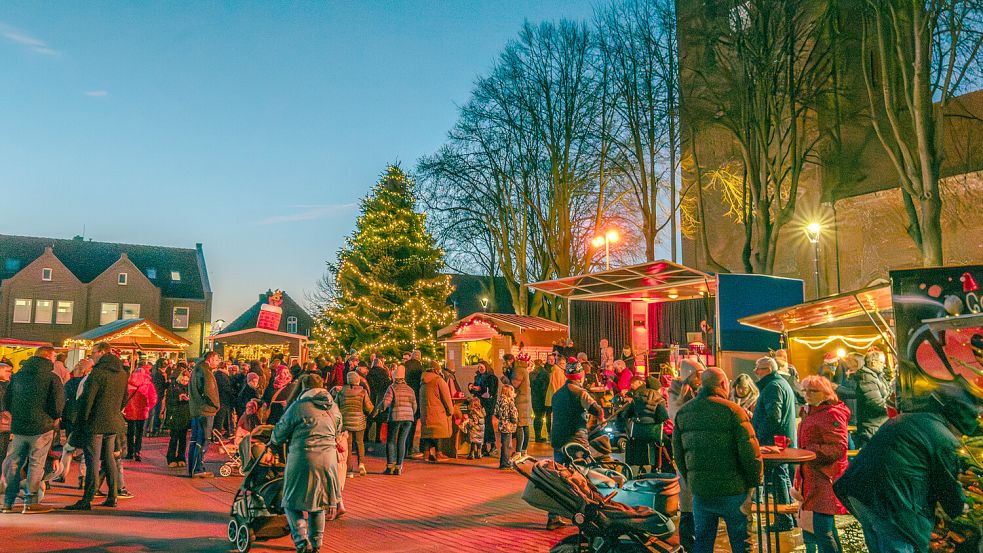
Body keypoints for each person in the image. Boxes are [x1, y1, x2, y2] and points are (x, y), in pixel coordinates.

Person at [833, 385, 976, 553]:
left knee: (878, 544)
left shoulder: (911, 419)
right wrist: (962, 508)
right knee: (897, 544)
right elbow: (946, 482)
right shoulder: (944, 438)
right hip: (889, 502)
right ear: (958, 426)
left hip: (859, 491)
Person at [673, 367, 763, 553]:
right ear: (723, 384)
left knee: (703, 544)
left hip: (702, 493)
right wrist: (753, 484)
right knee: (741, 545)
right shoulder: (734, 411)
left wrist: (692, 481)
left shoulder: (684, 413)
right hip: (734, 491)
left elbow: (679, 455)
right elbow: (751, 455)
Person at [269, 374, 344, 553]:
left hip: (303, 458)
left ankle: (301, 540)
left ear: (303, 387)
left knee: (291, 502)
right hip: (329, 460)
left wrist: (273, 442)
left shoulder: (298, 406)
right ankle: (317, 543)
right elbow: (339, 428)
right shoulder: (333, 407)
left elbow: (280, 432)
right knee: (318, 504)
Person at [0, 346, 64, 513]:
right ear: (49, 357)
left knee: (14, 463)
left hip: (19, 427)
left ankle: (8, 503)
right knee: (36, 463)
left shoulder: (18, 376)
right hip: (42, 427)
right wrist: (53, 418)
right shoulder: (52, 378)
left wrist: (17, 416)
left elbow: (7, 401)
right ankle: (31, 502)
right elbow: (57, 405)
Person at [66, 342, 128, 511]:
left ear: (101, 352)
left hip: (95, 422)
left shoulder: (97, 374)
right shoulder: (122, 373)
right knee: (109, 459)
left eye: (92, 352)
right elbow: (124, 398)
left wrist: (80, 422)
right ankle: (112, 496)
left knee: (92, 460)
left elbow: (87, 400)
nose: (91, 355)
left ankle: (87, 499)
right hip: (113, 421)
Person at [793, 376, 849, 553]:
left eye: (813, 391)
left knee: (822, 530)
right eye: (805, 391)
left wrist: (810, 451)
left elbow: (839, 447)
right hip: (813, 476)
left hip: (827, 477)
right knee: (826, 529)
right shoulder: (811, 411)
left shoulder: (831, 413)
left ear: (825, 392)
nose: (807, 394)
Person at [546, 360, 605, 530]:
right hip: (576, 442)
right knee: (582, 478)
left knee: (559, 479)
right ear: (580, 375)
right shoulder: (580, 393)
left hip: (558, 440)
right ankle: (586, 515)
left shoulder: (557, 394)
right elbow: (597, 410)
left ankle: (553, 516)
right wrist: (600, 417)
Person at [751, 356, 798, 532]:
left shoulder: (772, 387)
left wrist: (759, 436)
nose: (755, 371)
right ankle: (788, 516)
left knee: (779, 478)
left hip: (774, 443)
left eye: (758, 368)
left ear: (768, 370)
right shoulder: (780, 384)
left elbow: (774, 417)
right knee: (782, 477)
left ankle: (784, 518)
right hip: (781, 440)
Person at [373, 364, 417, 475]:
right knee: (402, 441)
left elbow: (386, 402)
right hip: (408, 418)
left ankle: (390, 466)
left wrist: (377, 410)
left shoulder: (392, 388)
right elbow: (414, 405)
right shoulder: (410, 390)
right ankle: (399, 467)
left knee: (391, 441)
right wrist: (411, 414)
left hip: (396, 416)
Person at [621, 375, 669, 473]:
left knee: (636, 443)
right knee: (666, 442)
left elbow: (626, 414)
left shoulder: (637, 397)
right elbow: (663, 417)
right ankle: (664, 466)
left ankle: (635, 466)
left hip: (637, 432)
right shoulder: (660, 399)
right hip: (654, 433)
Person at [848, 349, 891, 448]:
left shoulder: (877, 376)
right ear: (873, 362)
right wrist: (894, 408)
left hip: (878, 427)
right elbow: (876, 402)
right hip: (871, 430)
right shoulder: (867, 377)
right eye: (882, 362)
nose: (884, 365)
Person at [187, 351, 220, 478]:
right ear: (210, 359)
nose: (218, 363)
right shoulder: (206, 372)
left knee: (195, 439)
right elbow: (209, 391)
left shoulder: (196, 370)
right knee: (204, 439)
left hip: (196, 409)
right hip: (205, 410)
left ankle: (192, 468)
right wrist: (216, 405)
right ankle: (198, 468)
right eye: (216, 360)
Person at [337, 371, 373, 478]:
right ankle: (361, 464)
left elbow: (335, 406)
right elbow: (368, 407)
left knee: (348, 445)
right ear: (358, 380)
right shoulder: (363, 392)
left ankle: (349, 470)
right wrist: (369, 411)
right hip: (359, 421)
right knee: (359, 443)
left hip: (345, 422)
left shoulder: (341, 392)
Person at [418, 361, 453, 464]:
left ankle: (426, 453)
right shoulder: (439, 380)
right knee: (438, 432)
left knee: (428, 432)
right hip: (438, 411)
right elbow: (446, 397)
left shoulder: (422, 381)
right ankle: (439, 453)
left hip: (426, 412)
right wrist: (450, 410)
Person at [123, 363, 158, 462]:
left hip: (130, 410)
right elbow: (153, 398)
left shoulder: (129, 382)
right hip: (142, 411)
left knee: (130, 432)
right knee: (139, 432)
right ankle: (137, 451)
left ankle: (130, 452)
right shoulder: (148, 383)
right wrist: (148, 407)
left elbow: (124, 396)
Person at [502, 355, 532, 457]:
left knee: (519, 425)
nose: (505, 364)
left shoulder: (518, 370)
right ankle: (524, 450)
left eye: (506, 362)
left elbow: (514, 384)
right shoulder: (522, 369)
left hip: (520, 401)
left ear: (510, 361)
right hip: (525, 400)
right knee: (525, 425)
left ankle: (518, 451)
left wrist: (504, 379)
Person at [469, 362, 498, 457]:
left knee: (487, 423)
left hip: (488, 404)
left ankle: (492, 445)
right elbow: (476, 390)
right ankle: (483, 446)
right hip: (480, 404)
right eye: (479, 367)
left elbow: (492, 391)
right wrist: (471, 387)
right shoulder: (478, 377)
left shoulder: (491, 377)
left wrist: (480, 389)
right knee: (481, 425)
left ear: (486, 367)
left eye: (482, 366)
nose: (480, 368)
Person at [165, 369, 192, 468]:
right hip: (175, 416)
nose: (185, 382)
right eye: (183, 380)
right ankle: (171, 458)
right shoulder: (173, 388)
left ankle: (181, 457)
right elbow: (169, 402)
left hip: (185, 416)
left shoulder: (189, 389)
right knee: (174, 438)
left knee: (183, 439)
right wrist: (178, 398)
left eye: (186, 381)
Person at [403, 350, 425, 458]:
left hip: (404, 395)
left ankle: (403, 448)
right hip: (415, 396)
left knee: (404, 424)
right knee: (413, 423)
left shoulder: (405, 365)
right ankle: (410, 448)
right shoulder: (420, 368)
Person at [365, 358, 391, 444]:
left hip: (371, 397)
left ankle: (365, 437)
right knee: (379, 419)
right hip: (380, 398)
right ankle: (377, 438)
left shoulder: (369, 373)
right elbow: (387, 385)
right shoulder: (384, 373)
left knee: (369, 418)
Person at [494, 384, 519, 468]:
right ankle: (506, 463)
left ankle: (502, 462)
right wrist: (514, 421)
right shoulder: (509, 402)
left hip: (502, 424)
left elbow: (496, 413)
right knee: (508, 445)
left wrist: (502, 419)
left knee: (503, 444)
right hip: (508, 425)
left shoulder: (499, 400)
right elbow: (513, 415)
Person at [543, 354, 566, 441]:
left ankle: (550, 434)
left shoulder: (557, 371)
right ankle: (551, 434)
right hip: (555, 398)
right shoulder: (557, 372)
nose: (564, 365)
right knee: (554, 417)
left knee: (550, 417)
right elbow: (556, 385)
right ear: (559, 363)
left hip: (551, 398)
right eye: (563, 363)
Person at [529, 359, 550, 443]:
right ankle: (539, 436)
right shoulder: (545, 373)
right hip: (542, 397)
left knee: (537, 416)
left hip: (534, 397)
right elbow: (545, 387)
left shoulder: (531, 374)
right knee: (541, 417)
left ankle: (537, 435)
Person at [213, 362, 234, 437]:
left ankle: (217, 434)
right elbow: (226, 388)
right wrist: (232, 394)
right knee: (221, 418)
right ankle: (217, 435)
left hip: (220, 398)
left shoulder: (217, 374)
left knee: (220, 418)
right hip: (224, 399)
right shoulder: (222, 375)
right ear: (225, 367)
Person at [0, 361, 12, 469]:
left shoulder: (8, 385)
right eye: (7, 371)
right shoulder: (6, 386)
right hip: (4, 424)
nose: (10, 373)